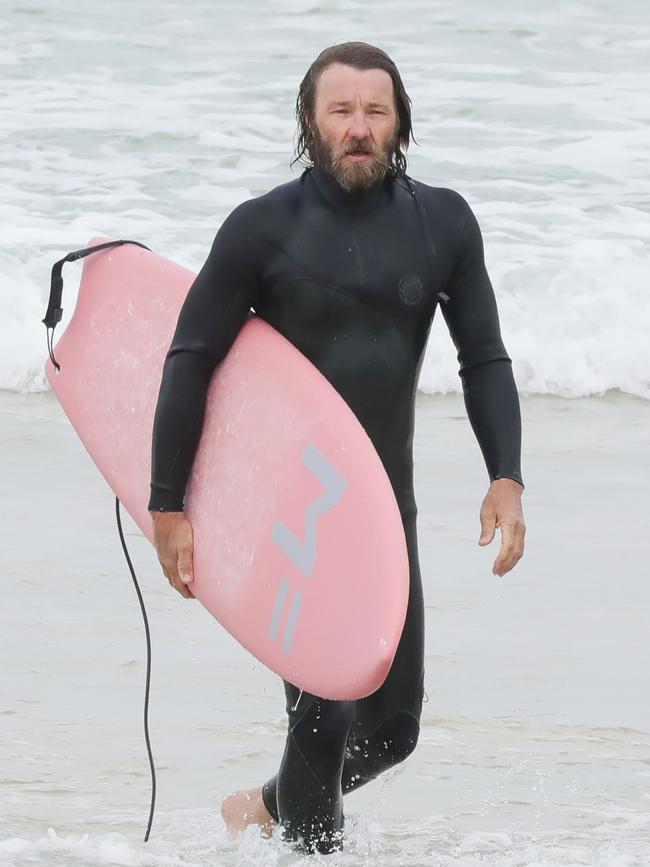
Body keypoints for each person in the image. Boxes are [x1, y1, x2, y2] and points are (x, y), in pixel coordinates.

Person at [148, 41, 526, 854]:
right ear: (310, 123)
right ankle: (311, 846)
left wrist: (506, 475)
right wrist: (167, 503)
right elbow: (190, 359)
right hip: (296, 512)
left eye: (376, 111)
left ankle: (263, 805)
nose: (359, 127)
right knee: (323, 715)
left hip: (387, 511)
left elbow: (483, 357)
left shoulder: (444, 223)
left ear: (400, 124)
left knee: (393, 732)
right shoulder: (261, 230)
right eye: (341, 110)